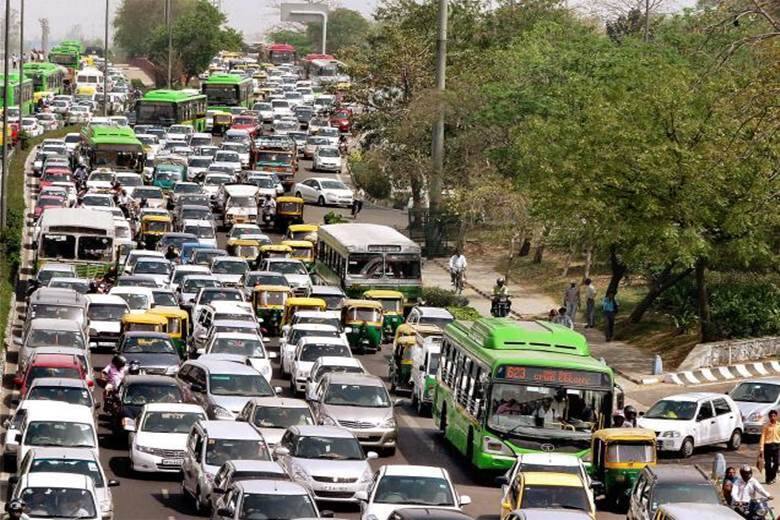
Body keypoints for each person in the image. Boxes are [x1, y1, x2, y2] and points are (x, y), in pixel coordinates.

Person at [760, 409, 780, 484]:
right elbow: (763, 437)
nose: (772, 417)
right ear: (769, 417)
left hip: (777, 445)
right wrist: (761, 448)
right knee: (767, 464)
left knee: (776, 463)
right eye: (771, 416)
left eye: (774, 416)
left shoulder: (779, 425)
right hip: (767, 446)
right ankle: (768, 479)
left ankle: (772, 476)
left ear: (776, 417)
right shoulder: (766, 426)